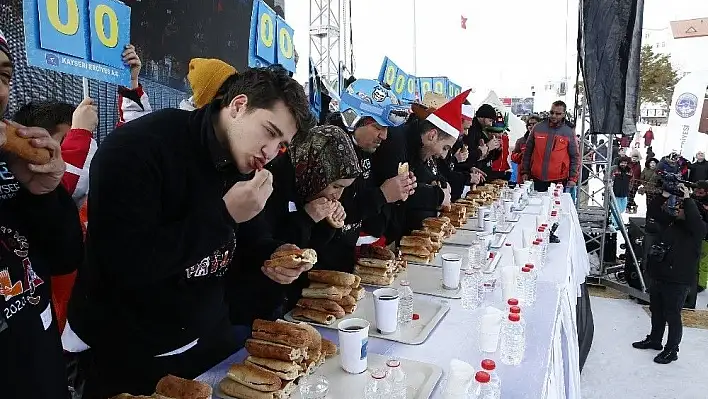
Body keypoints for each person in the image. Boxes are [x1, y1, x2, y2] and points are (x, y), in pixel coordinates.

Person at [64, 66, 315, 398]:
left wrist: (277, 258)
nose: (269, 152)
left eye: (280, 144)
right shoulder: (140, 147)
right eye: (269, 131)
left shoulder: (246, 163)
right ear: (238, 105)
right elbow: (127, 263)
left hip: (209, 340)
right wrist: (223, 215)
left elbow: (250, 242)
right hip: (129, 354)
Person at [0, 28, 85, 399]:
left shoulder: (11, 168)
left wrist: (46, 194)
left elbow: (64, 259)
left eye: (3, 74)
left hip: (42, 375)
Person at [227, 124, 360, 325]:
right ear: (316, 171)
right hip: (249, 305)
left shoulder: (309, 188)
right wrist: (307, 218)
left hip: (288, 300)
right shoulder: (270, 182)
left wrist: (328, 224)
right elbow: (270, 251)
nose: (337, 195)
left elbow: (311, 251)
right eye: (335, 186)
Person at [323, 79, 415, 259]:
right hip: (327, 259)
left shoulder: (367, 149)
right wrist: (382, 195)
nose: (385, 136)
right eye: (378, 127)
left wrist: (400, 190)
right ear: (352, 118)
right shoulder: (328, 149)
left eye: (387, 128)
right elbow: (332, 212)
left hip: (350, 251)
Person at [372, 90, 470, 241]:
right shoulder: (396, 142)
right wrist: (438, 195)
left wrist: (438, 182)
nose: (443, 155)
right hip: (376, 235)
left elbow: (423, 174)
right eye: (445, 148)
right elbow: (400, 193)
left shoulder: (417, 147)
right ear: (432, 135)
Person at [633, 184, 706, 364]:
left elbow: (696, 219)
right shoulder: (673, 222)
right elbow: (654, 211)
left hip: (678, 280)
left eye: (682, 208)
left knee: (672, 315)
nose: (678, 210)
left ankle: (672, 349)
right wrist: (664, 195)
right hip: (660, 274)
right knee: (656, 310)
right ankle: (655, 339)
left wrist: (688, 199)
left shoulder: (698, 229)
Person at [520, 100, 580, 191]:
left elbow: (575, 156)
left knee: (555, 205)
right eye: (552, 112)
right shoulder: (538, 127)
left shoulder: (569, 131)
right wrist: (524, 172)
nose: (553, 116)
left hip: (558, 180)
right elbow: (527, 152)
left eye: (558, 113)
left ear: (564, 114)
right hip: (536, 178)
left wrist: (573, 178)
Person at [455, 103, 500, 182]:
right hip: (463, 177)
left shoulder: (479, 131)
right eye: (490, 120)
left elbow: (484, 157)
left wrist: (496, 149)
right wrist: (487, 147)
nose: (491, 124)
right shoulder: (472, 131)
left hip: (472, 174)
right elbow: (468, 157)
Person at [691, 181, 708, 293]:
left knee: (704, 262)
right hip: (697, 234)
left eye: (700, 192)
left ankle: (701, 284)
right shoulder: (692, 199)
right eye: (696, 191)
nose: (697, 194)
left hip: (706, 235)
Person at [511, 115, 539, 184]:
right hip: (523, 177)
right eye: (529, 124)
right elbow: (513, 158)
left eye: (534, 124)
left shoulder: (545, 141)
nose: (532, 126)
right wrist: (522, 154)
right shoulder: (521, 141)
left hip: (538, 176)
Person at [610, 156, 632, 227]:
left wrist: (630, 188)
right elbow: (609, 178)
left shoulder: (629, 171)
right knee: (616, 209)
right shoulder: (615, 169)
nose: (623, 164)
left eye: (625, 163)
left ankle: (614, 220)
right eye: (622, 163)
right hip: (615, 193)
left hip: (625, 193)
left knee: (622, 209)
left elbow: (632, 180)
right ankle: (615, 223)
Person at [627, 149, 642, 213]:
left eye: (636, 158)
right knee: (627, 195)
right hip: (628, 182)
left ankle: (632, 206)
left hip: (635, 183)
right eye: (633, 157)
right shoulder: (628, 164)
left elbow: (639, 174)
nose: (634, 159)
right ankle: (628, 207)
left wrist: (638, 183)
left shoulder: (639, 165)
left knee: (632, 196)